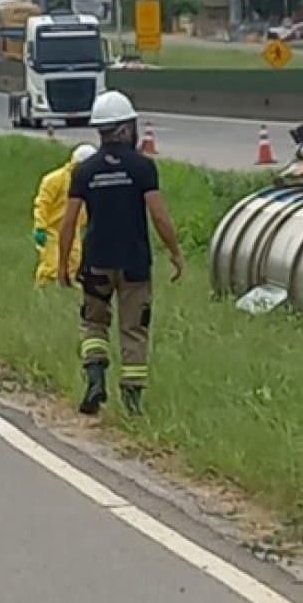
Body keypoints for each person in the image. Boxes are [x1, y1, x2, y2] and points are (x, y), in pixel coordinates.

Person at [57, 91, 185, 417]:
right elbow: (159, 215)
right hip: (135, 263)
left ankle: (95, 378)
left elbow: (68, 222)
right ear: (126, 129)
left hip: (96, 261)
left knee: (93, 324)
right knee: (133, 329)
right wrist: (175, 253)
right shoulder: (142, 167)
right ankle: (132, 402)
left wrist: (62, 265)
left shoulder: (84, 171)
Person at [32, 143, 96, 288]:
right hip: (51, 230)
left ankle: (65, 291)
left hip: (73, 230)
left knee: (73, 262)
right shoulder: (54, 180)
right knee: (52, 265)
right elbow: (42, 204)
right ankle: (43, 290)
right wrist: (40, 227)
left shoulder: (87, 182)